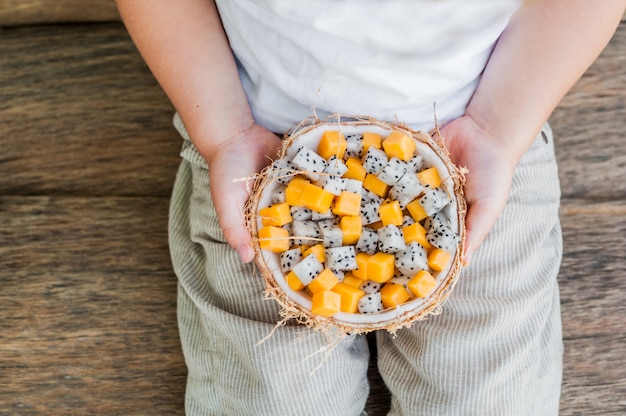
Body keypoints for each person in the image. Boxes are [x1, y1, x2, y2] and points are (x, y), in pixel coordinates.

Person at [116, 1, 625, 414]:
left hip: (486, 129)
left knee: (489, 399)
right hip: (257, 151)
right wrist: (224, 131)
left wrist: (498, 128)